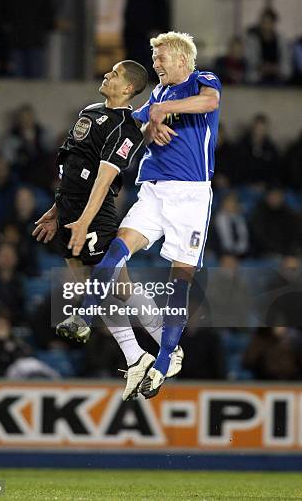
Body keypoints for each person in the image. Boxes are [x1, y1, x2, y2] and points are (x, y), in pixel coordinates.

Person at [58, 31, 221, 399]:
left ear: (181, 59)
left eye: (161, 57)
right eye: (154, 57)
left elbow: (210, 103)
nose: (156, 64)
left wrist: (164, 111)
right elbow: (132, 129)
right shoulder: (156, 97)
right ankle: (85, 315)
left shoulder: (203, 81)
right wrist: (149, 126)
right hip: (153, 190)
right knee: (117, 249)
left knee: (180, 280)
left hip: (191, 196)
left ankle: (164, 362)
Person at [33, 60, 183, 395]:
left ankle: (161, 349)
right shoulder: (90, 110)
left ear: (128, 88)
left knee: (102, 288)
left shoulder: (125, 127)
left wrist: (84, 220)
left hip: (92, 212)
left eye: (114, 74)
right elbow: (72, 163)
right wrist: (56, 209)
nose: (106, 75)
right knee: (113, 289)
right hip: (71, 208)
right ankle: (146, 353)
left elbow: (105, 178)